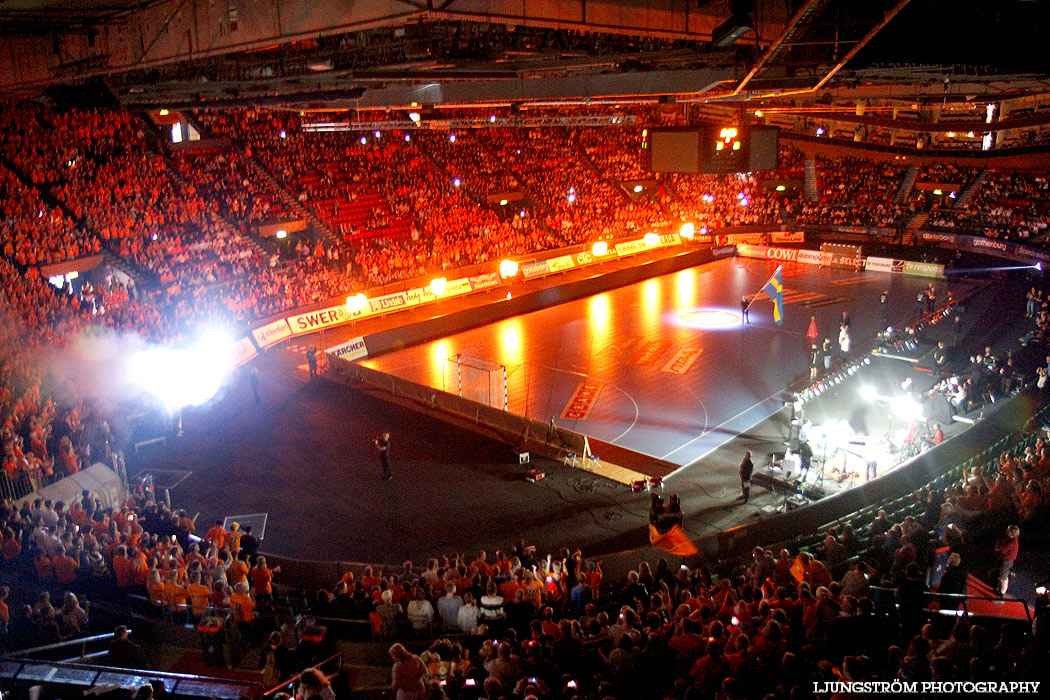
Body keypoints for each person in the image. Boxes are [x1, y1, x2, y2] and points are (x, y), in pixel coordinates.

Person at [994, 525, 1020, 597]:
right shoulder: (1009, 539)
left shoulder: (1013, 542)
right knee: (1002, 575)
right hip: (1005, 560)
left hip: (1007, 561)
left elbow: (1003, 550)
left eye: (1009, 530)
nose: (1007, 531)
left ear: (1012, 533)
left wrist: (997, 549)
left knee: (1003, 577)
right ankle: (999, 590)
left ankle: (1002, 594)